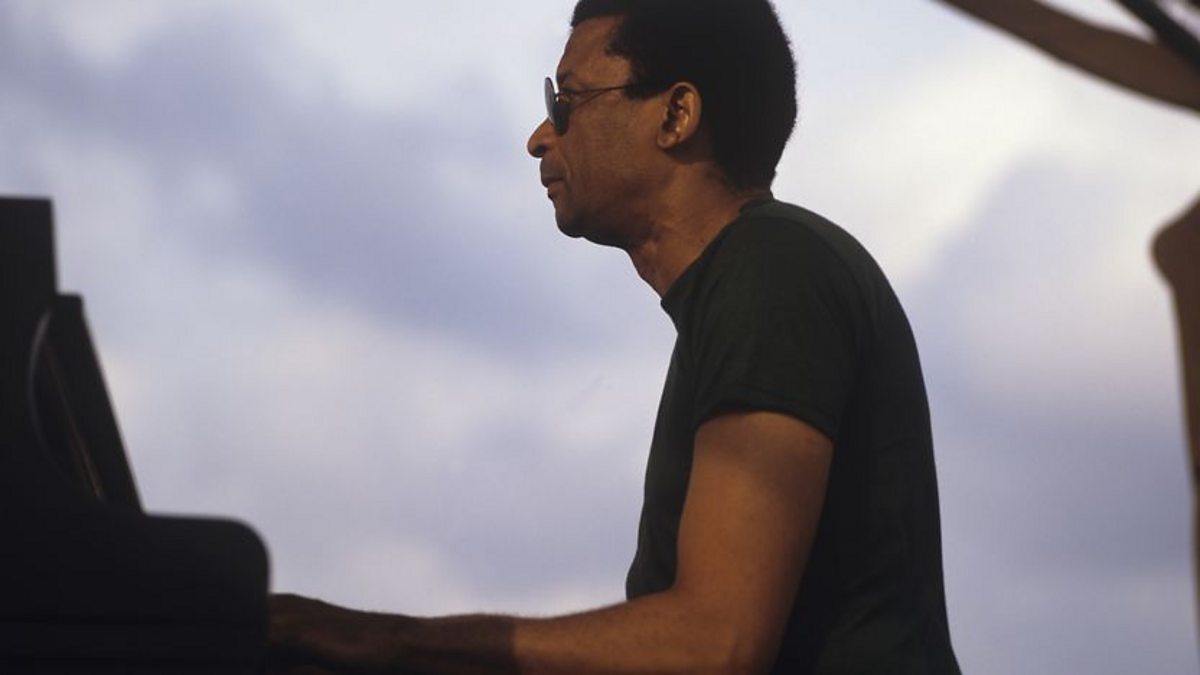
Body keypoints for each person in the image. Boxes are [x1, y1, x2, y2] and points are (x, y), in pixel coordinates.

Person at [269, 1, 961, 672]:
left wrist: (391, 642)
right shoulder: (749, 283)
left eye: (567, 102)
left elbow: (713, 643)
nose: (540, 137)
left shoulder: (773, 270)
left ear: (676, 115)